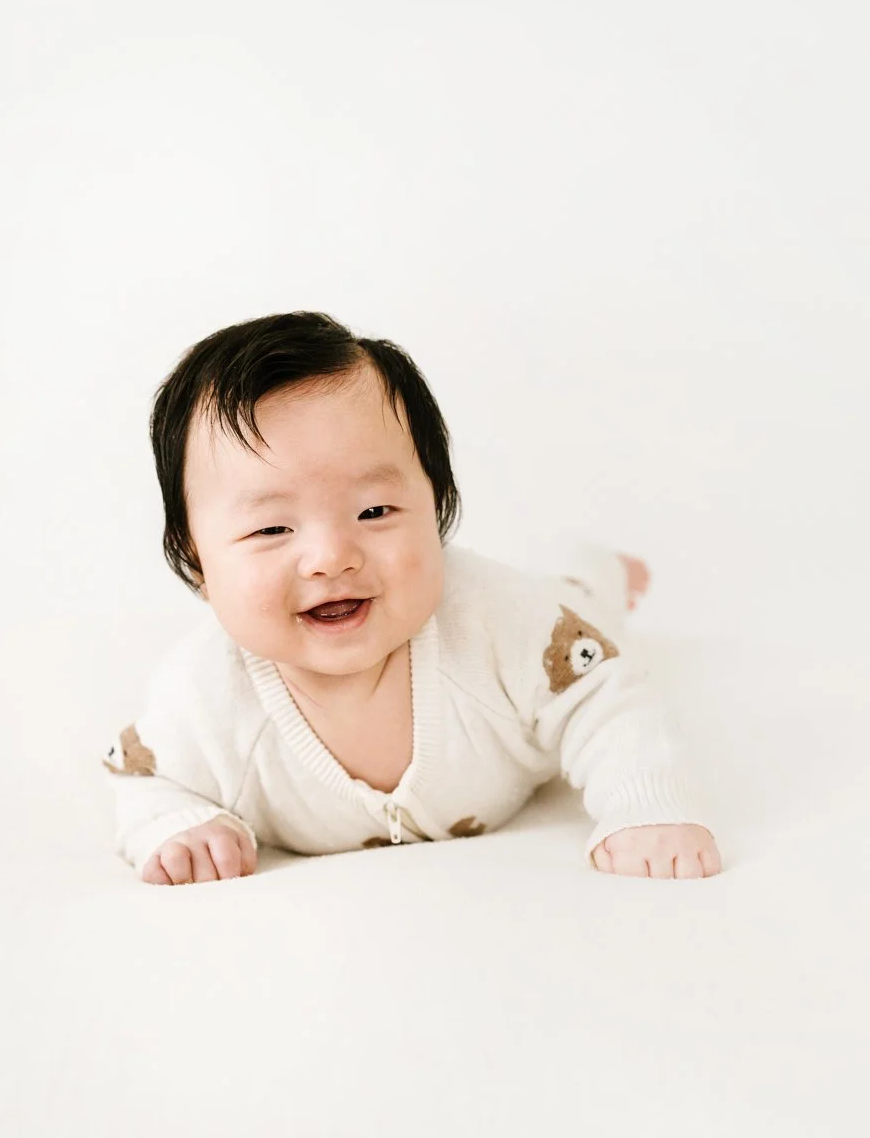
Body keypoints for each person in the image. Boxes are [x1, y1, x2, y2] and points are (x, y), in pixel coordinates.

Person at [102, 310, 722, 885]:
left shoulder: (498, 620)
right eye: (271, 529)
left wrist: (645, 807)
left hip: (560, 615)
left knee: (585, 609)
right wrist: (178, 827)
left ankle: (601, 572)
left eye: (374, 511)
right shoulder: (203, 697)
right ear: (196, 559)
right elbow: (144, 781)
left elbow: (603, 701)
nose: (332, 557)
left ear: (436, 509)